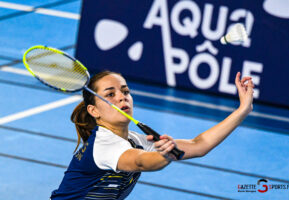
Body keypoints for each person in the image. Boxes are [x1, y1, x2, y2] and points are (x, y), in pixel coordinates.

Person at [50, 70, 254, 200]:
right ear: (94, 111)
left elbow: (198, 145)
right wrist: (164, 155)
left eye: (125, 91)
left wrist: (242, 110)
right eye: (110, 94)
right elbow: (140, 162)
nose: (122, 97)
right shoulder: (105, 146)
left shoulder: (135, 140)